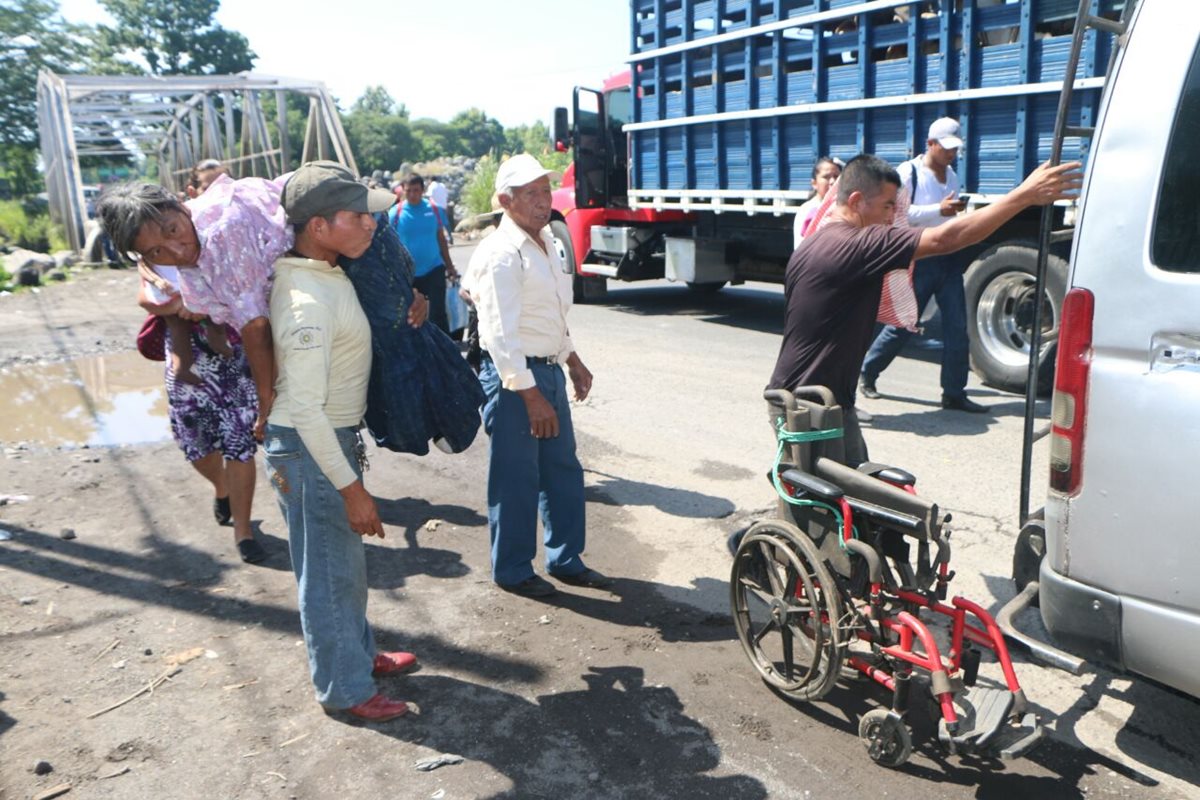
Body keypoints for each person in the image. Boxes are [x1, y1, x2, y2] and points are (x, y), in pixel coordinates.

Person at [766, 153, 1081, 466]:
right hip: (808, 405)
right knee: (826, 508)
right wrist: (1024, 196)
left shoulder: (815, 242)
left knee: (851, 498)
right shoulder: (858, 244)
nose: (893, 216)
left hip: (817, 399)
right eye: (888, 205)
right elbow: (948, 238)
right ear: (858, 201)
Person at [265, 160, 421, 723]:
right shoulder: (305, 299)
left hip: (323, 440)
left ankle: (355, 656)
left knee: (342, 567)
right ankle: (345, 689)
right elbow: (304, 408)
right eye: (357, 216)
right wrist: (353, 490)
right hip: (311, 447)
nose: (371, 224)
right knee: (328, 574)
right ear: (318, 227)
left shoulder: (327, 274)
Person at [464, 154, 612, 598]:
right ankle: (511, 569)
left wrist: (572, 359)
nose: (542, 201)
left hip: (544, 371)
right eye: (531, 194)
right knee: (516, 476)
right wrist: (529, 396)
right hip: (514, 381)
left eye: (546, 191)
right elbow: (499, 334)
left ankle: (565, 558)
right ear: (506, 201)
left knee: (562, 469)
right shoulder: (500, 252)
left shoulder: (546, 240)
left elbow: (549, 314)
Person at [96, 184, 267, 563]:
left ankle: (243, 529)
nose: (170, 251)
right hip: (187, 349)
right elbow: (146, 298)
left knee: (239, 441)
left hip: (233, 347)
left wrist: (204, 305)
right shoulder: (148, 252)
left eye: (172, 231)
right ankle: (221, 485)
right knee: (194, 442)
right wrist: (175, 303)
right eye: (154, 250)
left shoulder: (220, 231)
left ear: (180, 207)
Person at [859, 118, 984, 412]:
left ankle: (954, 393)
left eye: (955, 149)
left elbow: (943, 216)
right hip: (918, 257)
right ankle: (868, 371)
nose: (951, 154)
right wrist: (938, 209)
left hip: (948, 258)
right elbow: (899, 213)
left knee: (957, 328)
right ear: (930, 144)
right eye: (946, 148)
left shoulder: (951, 175)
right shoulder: (909, 172)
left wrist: (953, 213)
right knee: (904, 324)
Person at [390, 175, 458, 334]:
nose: (413, 194)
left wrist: (450, 266)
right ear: (403, 191)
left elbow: (441, 240)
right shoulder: (395, 213)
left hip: (434, 268)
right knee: (410, 315)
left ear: (423, 191)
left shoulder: (434, 210)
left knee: (438, 313)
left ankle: (443, 351)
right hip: (408, 273)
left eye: (416, 190)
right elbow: (391, 244)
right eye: (409, 191)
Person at [793, 157, 841, 249]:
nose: (833, 181)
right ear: (814, 183)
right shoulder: (808, 210)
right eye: (826, 177)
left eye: (836, 176)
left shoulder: (841, 207)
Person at [425, 175, 453, 244]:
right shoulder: (442, 185)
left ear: (431, 180)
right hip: (443, 207)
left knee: (436, 225)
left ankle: (438, 240)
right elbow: (446, 196)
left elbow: (429, 196)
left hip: (435, 208)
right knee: (446, 224)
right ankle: (450, 237)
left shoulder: (431, 186)